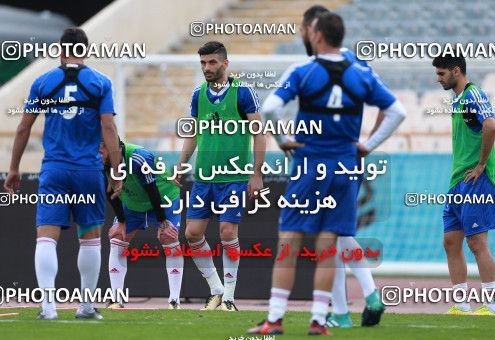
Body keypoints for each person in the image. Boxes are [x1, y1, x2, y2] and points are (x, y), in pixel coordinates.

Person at [248, 12, 405, 335]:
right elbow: (397, 111)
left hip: (309, 162)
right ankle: (319, 321)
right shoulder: (361, 73)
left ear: (316, 35)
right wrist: (367, 146)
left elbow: (270, 108)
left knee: (290, 241)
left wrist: (283, 140)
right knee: (330, 245)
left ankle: (275, 318)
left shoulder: (304, 70)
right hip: (346, 165)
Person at [3, 27, 122, 320]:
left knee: (46, 237)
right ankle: (86, 306)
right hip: (87, 170)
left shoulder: (43, 82)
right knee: (90, 238)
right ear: (86, 51)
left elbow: (23, 127)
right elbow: (108, 127)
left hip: (54, 170)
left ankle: (48, 307)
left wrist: (14, 167)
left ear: (60, 50)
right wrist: (117, 169)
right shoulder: (100, 83)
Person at [299, 5, 389, 328]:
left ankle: (342, 310)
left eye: (304, 27)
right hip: (347, 159)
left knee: (329, 236)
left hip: (323, 161)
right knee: (339, 235)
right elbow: (388, 104)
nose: (302, 33)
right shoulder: (357, 63)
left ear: (315, 28)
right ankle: (367, 297)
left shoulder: (314, 67)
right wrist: (367, 144)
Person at [175, 41, 266, 311]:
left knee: (227, 232)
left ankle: (229, 298)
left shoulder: (243, 92)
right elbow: (192, 132)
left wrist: (257, 174)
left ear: (225, 63)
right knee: (192, 234)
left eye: (212, 62)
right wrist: (181, 163)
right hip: (204, 176)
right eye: (203, 63)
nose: (207, 68)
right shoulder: (198, 94)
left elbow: (259, 133)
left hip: (234, 176)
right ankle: (216, 290)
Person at [433, 56, 495, 316]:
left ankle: (492, 307)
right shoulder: (458, 101)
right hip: (458, 181)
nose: (438, 78)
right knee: (450, 241)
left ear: (456, 71)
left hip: (476, 180)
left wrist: (481, 165)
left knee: (477, 243)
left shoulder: (474, 95)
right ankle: (461, 305)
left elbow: (491, 125)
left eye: (441, 74)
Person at [101, 139, 184, 309]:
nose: (95, 155)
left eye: (99, 150)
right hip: (133, 201)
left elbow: (152, 190)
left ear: (111, 148)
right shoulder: (100, 161)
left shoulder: (139, 157)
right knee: (118, 236)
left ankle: (174, 300)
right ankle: (117, 298)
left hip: (163, 197)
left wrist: (162, 223)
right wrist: (121, 221)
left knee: (169, 238)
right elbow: (109, 190)